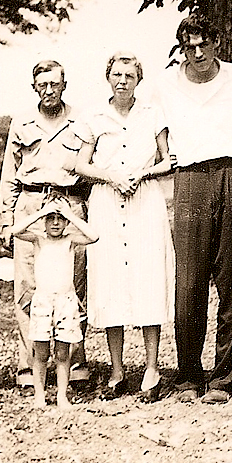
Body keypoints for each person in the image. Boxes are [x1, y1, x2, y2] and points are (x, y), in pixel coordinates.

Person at [153, 14, 232, 405]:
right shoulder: (165, 83)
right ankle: (189, 375)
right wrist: (165, 154)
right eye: (189, 46)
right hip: (190, 179)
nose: (197, 53)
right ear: (182, 48)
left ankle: (224, 377)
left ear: (217, 43)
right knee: (189, 282)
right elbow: (153, 123)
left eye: (204, 44)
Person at [74, 51, 174, 402]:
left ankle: (151, 369)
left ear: (138, 80)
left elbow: (169, 161)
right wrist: (113, 176)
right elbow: (81, 165)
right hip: (106, 200)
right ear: (108, 78)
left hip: (145, 200)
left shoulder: (152, 114)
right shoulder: (94, 116)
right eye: (117, 75)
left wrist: (141, 173)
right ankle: (117, 370)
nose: (122, 81)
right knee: (111, 282)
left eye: (129, 76)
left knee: (148, 279)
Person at [0, 60, 90, 389]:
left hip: (69, 204)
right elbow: (10, 174)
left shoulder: (82, 121)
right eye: (42, 85)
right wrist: (7, 219)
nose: (49, 90)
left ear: (64, 85)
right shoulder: (21, 123)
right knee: (27, 288)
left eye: (55, 84)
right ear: (34, 87)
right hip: (29, 204)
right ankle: (28, 365)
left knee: (72, 285)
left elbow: (90, 169)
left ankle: (75, 361)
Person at [10, 196, 99, 410]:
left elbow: (94, 236)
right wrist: (41, 213)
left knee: (62, 353)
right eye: (51, 218)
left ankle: (61, 395)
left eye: (60, 219)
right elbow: (15, 230)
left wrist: (69, 214)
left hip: (65, 302)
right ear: (44, 221)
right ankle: (39, 396)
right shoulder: (38, 239)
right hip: (43, 302)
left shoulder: (70, 240)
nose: (56, 223)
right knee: (40, 353)